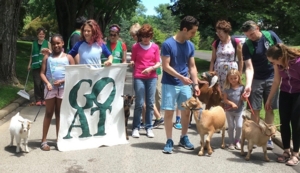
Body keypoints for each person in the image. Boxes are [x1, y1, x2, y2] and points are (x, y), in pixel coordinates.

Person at [160, 16, 200, 154]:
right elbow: (165, 66)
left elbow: (192, 66)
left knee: (186, 112)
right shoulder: (168, 44)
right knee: (169, 112)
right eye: (192, 32)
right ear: (184, 29)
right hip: (170, 83)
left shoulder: (190, 45)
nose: (193, 35)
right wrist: (181, 77)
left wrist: (195, 84)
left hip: (185, 84)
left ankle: (183, 137)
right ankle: (169, 140)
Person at [241, 20, 282, 150]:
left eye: (252, 34)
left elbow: (282, 52)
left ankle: (268, 138)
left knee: (269, 108)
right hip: (256, 79)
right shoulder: (247, 45)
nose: (250, 38)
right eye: (248, 35)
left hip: (272, 77)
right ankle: (255, 136)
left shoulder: (270, 35)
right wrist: (248, 84)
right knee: (255, 109)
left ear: (257, 28)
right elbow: (249, 67)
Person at [265, 44, 300, 166]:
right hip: (285, 92)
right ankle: (286, 151)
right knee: (284, 122)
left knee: (296, 123)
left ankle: (295, 153)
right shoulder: (277, 64)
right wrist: (269, 99)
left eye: (273, 61)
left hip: (298, 93)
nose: (273, 64)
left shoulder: (297, 62)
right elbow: (276, 81)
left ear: (280, 57)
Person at [40, 34, 75, 151]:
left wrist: (62, 81)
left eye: (58, 43)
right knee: (49, 113)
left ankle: (59, 139)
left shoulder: (68, 57)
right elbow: (42, 73)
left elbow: (74, 73)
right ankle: (43, 140)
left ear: (63, 43)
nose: (56, 45)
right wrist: (47, 83)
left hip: (63, 88)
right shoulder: (47, 58)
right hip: (50, 89)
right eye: (54, 44)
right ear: (51, 44)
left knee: (60, 113)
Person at [129, 23, 164, 129]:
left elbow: (158, 62)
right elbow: (133, 59)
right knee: (140, 102)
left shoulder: (154, 47)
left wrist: (152, 69)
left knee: (151, 100)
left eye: (147, 36)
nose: (145, 39)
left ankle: (151, 123)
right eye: (143, 36)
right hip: (139, 75)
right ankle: (139, 124)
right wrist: (131, 63)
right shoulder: (136, 46)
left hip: (153, 73)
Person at [209, 20, 243, 91]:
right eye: (217, 32)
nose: (218, 34)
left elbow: (240, 59)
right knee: (219, 93)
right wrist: (210, 72)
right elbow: (213, 59)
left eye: (220, 32)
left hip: (231, 73)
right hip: (218, 72)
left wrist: (239, 73)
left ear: (226, 31)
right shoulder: (216, 43)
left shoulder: (235, 42)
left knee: (231, 91)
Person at [28, 27, 51, 106]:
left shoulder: (47, 43)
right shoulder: (33, 43)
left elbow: (51, 54)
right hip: (35, 65)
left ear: (45, 35)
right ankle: (38, 99)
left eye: (43, 34)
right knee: (37, 83)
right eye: (40, 34)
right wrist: (29, 64)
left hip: (44, 65)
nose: (41, 35)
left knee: (44, 83)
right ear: (37, 35)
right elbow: (31, 55)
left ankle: (44, 98)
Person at [222, 69, 245, 150]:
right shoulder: (226, 88)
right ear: (228, 78)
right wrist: (232, 103)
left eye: (235, 78)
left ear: (239, 77)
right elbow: (225, 99)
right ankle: (231, 142)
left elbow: (245, 99)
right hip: (229, 111)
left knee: (239, 126)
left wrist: (244, 97)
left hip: (239, 110)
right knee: (231, 126)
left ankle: (237, 141)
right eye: (231, 78)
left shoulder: (242, 87)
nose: (233, 80)